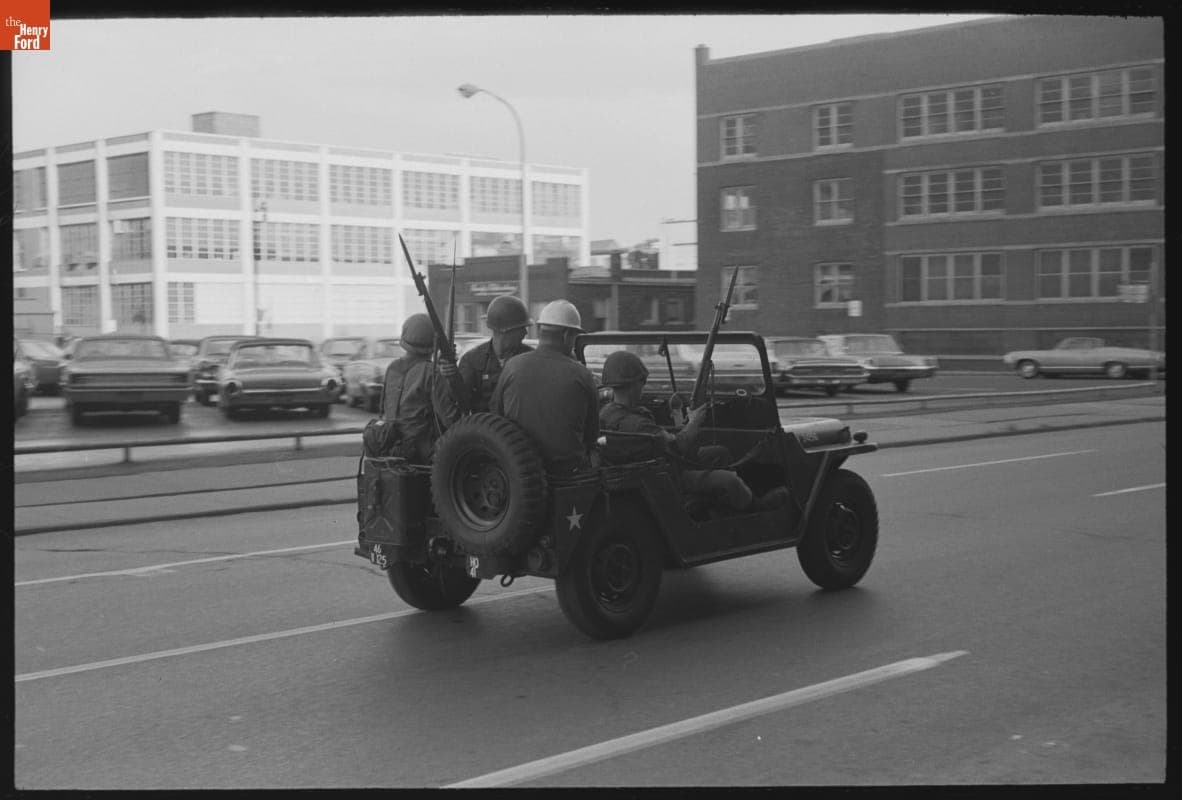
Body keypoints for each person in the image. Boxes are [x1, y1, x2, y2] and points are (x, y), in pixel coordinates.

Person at [597, 349, 789, 512]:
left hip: (651, 469)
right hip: (668, 476)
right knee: (730, 480)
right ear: (632, 385)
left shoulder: (607, 413)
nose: (643, 387)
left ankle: (725, 504)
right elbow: (678, 446)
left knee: (719, 453)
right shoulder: (638, 425)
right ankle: (754, 507)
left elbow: (665, 442)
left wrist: (683, 424)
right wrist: (694, 422)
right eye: (642, 382)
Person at [490, 299, 599, 474]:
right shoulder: (582, 375)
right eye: (574, 336)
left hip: (517, 473)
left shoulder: (512, 366)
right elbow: (591, 435)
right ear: (566, 335)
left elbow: (496, 415)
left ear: (540, 331)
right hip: (566, 474)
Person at [379, 313, 460, 463]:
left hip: (389, 445)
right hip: (422, 454)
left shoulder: (392, 368)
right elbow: (451, 420)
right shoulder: (431, 373)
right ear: (434, 343)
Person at [447, 294, 534, 414]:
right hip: (486, 429)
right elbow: (460, 401)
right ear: (505, 330)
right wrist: (450, 378)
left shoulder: (530, 359)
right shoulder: (472, 361)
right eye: (521, 328)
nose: (525, 333)